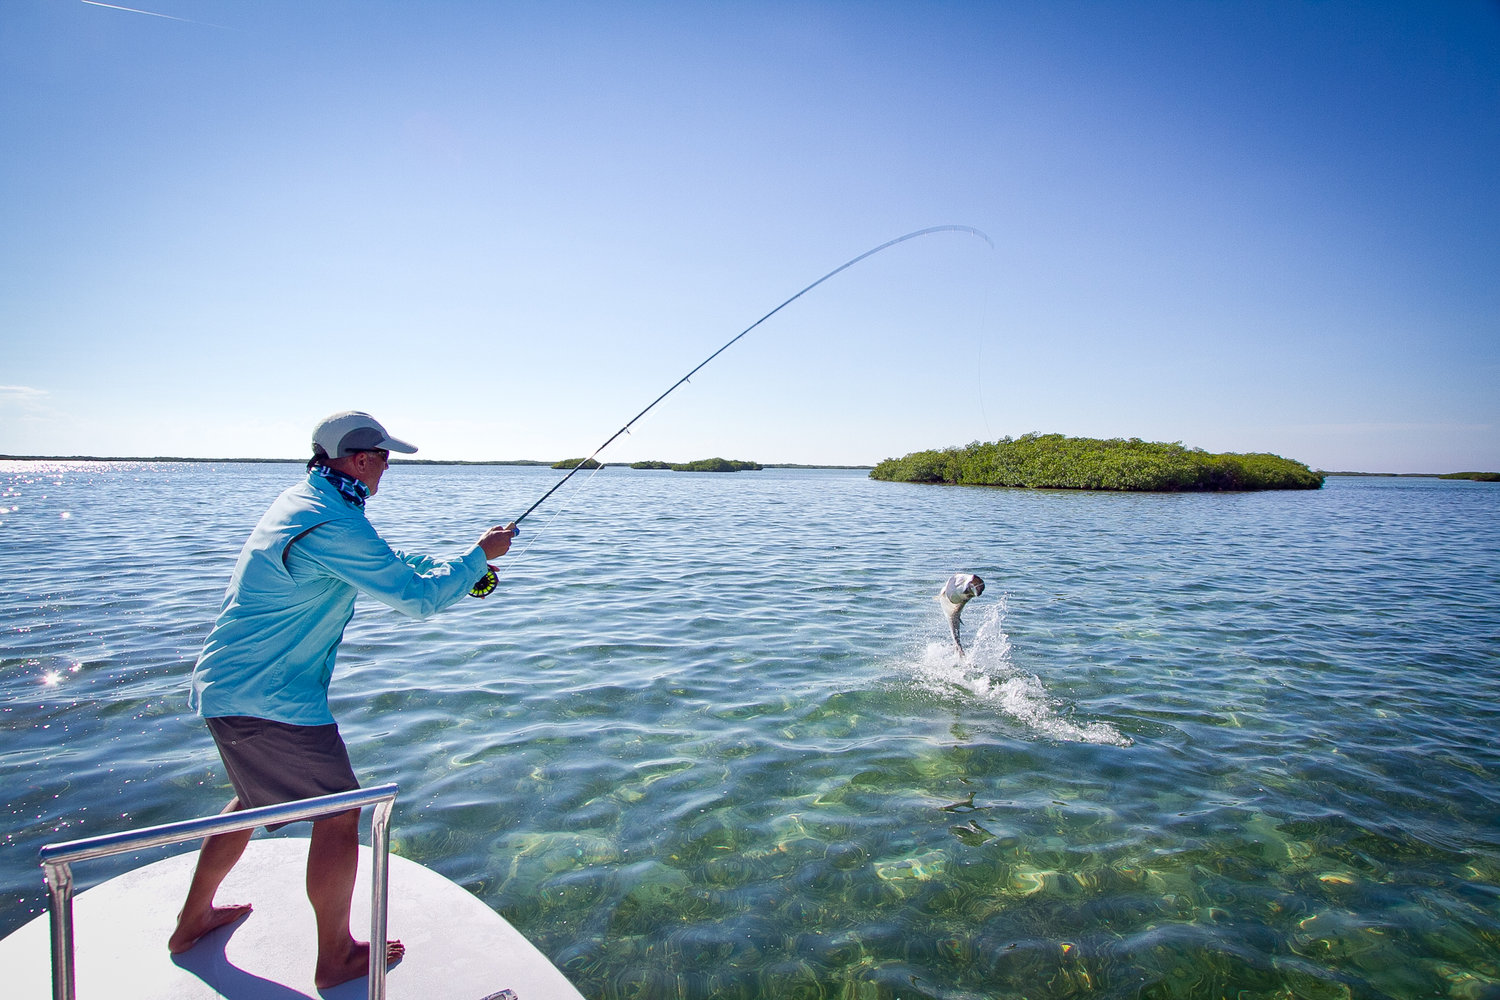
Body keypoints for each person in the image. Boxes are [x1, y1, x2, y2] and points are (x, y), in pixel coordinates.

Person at [168, 410, 516, 989]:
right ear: (359, 459)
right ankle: (336, 956)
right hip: (268, 698)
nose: (387, 468)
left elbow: (392, 565)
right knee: (339, 810)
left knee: (253, 800)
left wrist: (464, 561)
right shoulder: (332, 524)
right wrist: (480, 558)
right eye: (383, 458)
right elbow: (415, 600)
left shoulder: (311, 503)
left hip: (233, 687)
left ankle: (192, 920)